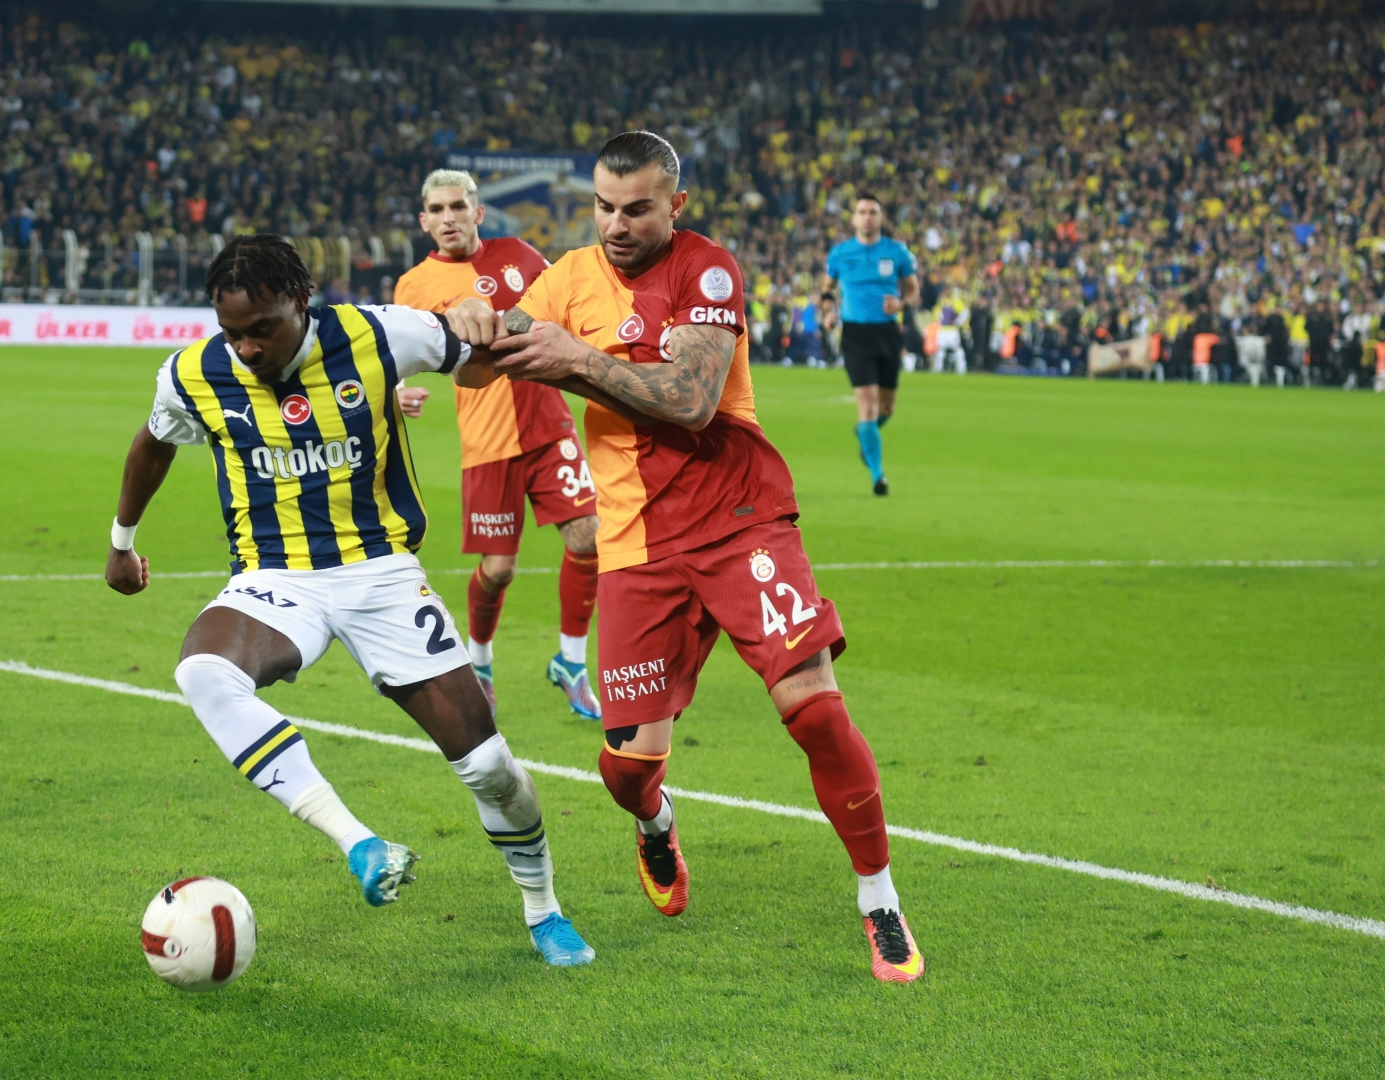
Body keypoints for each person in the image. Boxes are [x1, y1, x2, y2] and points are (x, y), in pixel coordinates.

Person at [460, 131, 923, 983]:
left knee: (814, 708)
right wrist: (469, 330)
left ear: (675, 204)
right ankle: (656, 823)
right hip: (636, 545)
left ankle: (880, 900)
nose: (617, 225)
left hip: (740, 518)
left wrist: (575, 358)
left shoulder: (707, 271)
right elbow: (482, 366)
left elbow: (692, 400)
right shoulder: (568, 278)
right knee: (626, 771)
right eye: (604, 207)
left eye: (637, 208)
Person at [104, 234, 593, 966]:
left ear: (300, 301)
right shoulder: (194, 372)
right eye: (232, 332)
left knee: (489, 767)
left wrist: (486, 323)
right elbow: (153, 442)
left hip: (381, 574)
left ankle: (542, 907)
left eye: (261, 328)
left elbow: (479, 363)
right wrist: (122, 541)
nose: (246, 348)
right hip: (275, 578)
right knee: (202, 671)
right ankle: (359, 842)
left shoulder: (379, 334)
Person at [393, 169, 602, 721]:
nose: (449, 218)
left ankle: (571, 662)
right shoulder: (414, 286)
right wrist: (398, 393)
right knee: (499, 568)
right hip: (487, 440)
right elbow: (393, 359)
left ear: (478, 212)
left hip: (548, 424)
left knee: (589, 537)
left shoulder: (520, 256)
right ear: (424, 221)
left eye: (458, 206)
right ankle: (480, 662)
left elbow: (567, 304)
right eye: (438, 210)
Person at [826, 194, 919, 497]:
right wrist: (828, 312)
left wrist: (901, 303)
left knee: (887, 407)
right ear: (854, 218)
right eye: (862, 212)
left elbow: (914, 292)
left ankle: (867, 434)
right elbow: (826, 290)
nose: (867, 217)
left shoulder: (897, 252)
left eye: (873, 212)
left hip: (888, 333)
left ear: (881, 218)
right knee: (866, 405)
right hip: (855, 335)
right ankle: (879, 476)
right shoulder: (840, 254)